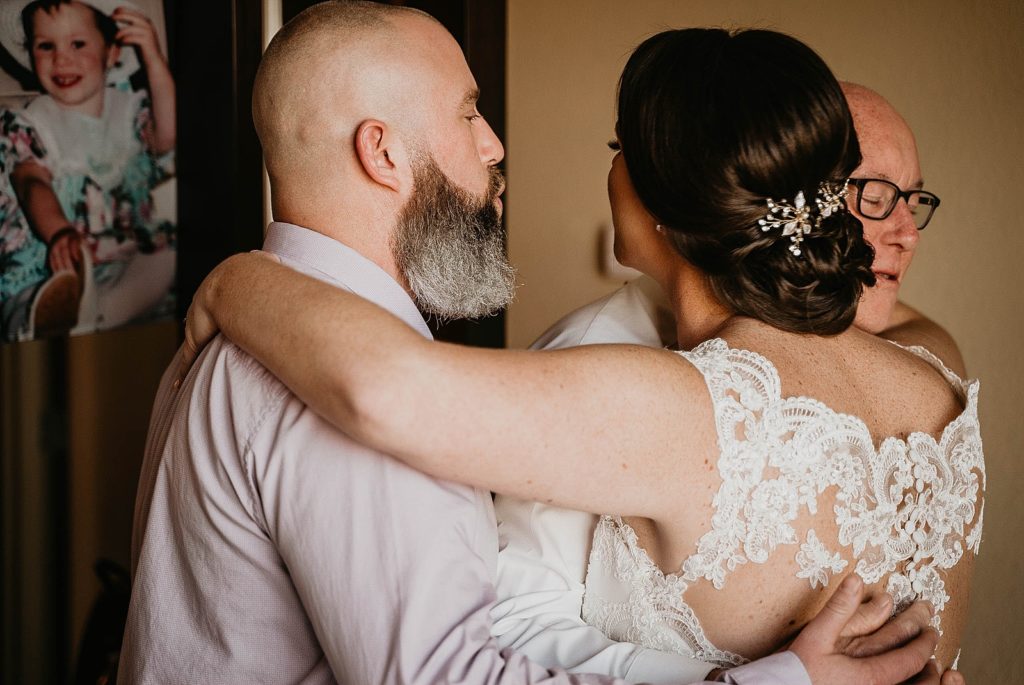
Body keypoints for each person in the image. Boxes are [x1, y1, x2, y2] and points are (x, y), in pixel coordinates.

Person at [123, 3, 946, 685]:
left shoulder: (254, 328)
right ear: (381, 151)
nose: (496, 143)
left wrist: (233, 279)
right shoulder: (320, 379)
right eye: (469, 111)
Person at [489, 82, 970, 678]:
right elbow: (520, 619)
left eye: (913, 198)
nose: (909, 231)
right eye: (872, 195)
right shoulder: (599, 356)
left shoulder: (928, 367)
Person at [0, 0, 175, 341]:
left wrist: (153, 57)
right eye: (45, 46)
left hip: (122, 260)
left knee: (166, 260)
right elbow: (31, 183)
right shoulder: (31, 123)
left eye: (77, 44)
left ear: (111, 54)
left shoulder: (128, 110)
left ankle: (93, 314)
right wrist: (59, 233)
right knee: (27, 298)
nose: (61, 59)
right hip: (53, 264)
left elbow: (167, 138)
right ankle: (39, 318)